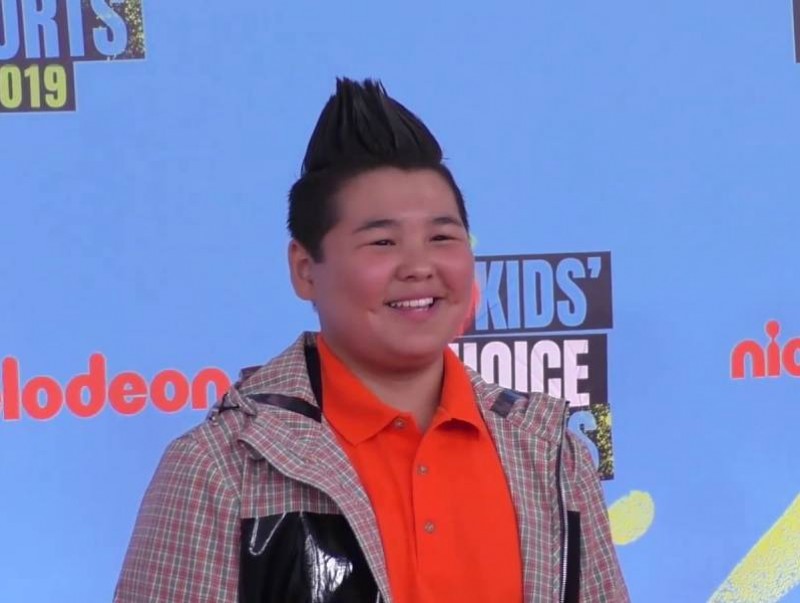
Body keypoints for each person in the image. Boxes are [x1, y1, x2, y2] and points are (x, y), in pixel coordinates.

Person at [114, 77, 629, 603]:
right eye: (382, 242)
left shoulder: (549, 454)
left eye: (442, 237)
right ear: (304, 269)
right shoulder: (222, 467)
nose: (419, 266)